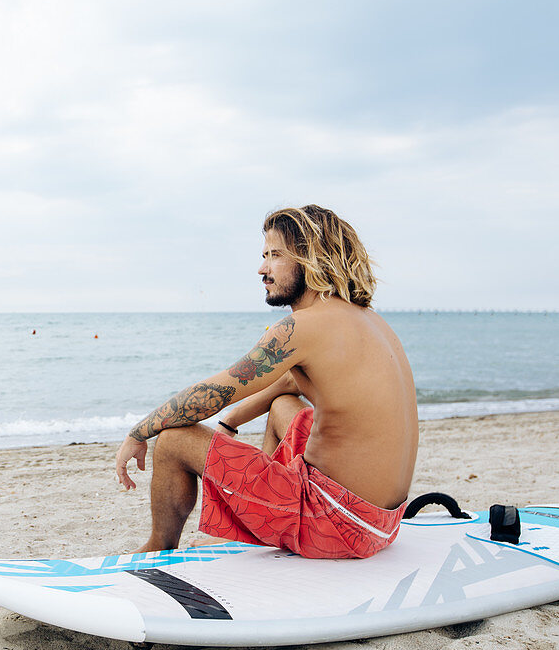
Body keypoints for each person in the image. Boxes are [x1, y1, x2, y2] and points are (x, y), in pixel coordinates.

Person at [115, 205, 418, 559]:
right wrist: (230, 424)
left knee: (173, 439)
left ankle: (158, 547)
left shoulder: (302, 327)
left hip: (334, 523)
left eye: (275, 256)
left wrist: (138, 433)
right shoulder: (369, 321)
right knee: (284, 408)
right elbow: (284, 385)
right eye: (264, 255)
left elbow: (213, 394)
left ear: (311, 259)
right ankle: (262, 520)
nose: (262, 268)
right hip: (381, 523)